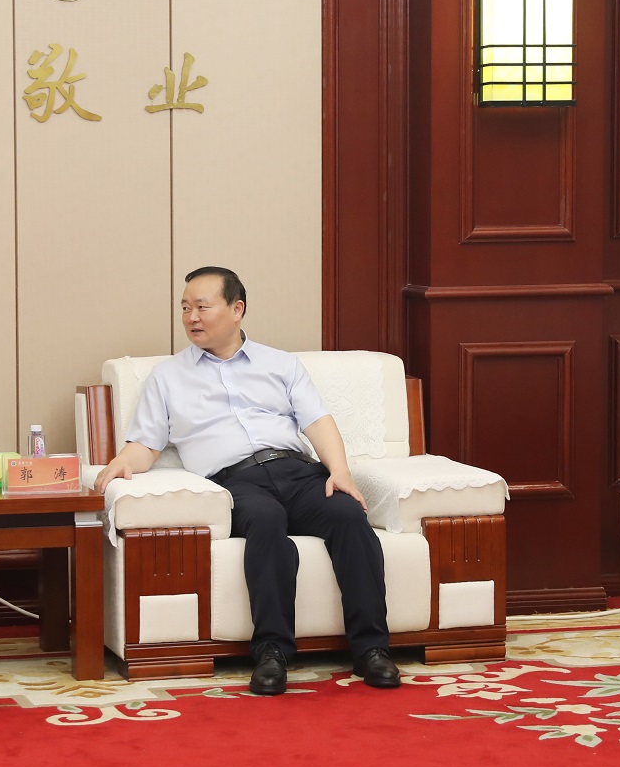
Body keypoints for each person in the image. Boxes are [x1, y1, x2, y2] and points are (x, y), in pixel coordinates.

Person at [94, 266, 400, 695]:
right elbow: (145, 444)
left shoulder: (280, 364)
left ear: (237, 309)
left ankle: (372, 650)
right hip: (236, 482)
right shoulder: (168, 376)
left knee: (348, 515)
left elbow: (317, 421)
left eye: (202, 307)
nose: (191, 318)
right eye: (185, 308)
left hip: (297, 471)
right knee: (266, 521)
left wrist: (339, 472)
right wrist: (120, 464)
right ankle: (272, 652)